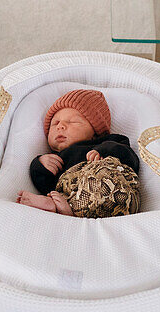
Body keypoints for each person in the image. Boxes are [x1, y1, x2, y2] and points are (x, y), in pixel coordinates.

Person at [16, 89, 141, 217]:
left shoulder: (110, 141)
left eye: (72, 122)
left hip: (114, 196)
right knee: (59, 190)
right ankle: (63, 207)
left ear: (95, 133)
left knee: (105, 173)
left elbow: (132, 160)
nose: (61, 126)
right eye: (55, 123)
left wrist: (103, 150)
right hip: (73, 197)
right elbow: (45, 185)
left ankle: (66, 209)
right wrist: (39, 165)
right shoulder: (58, 158)